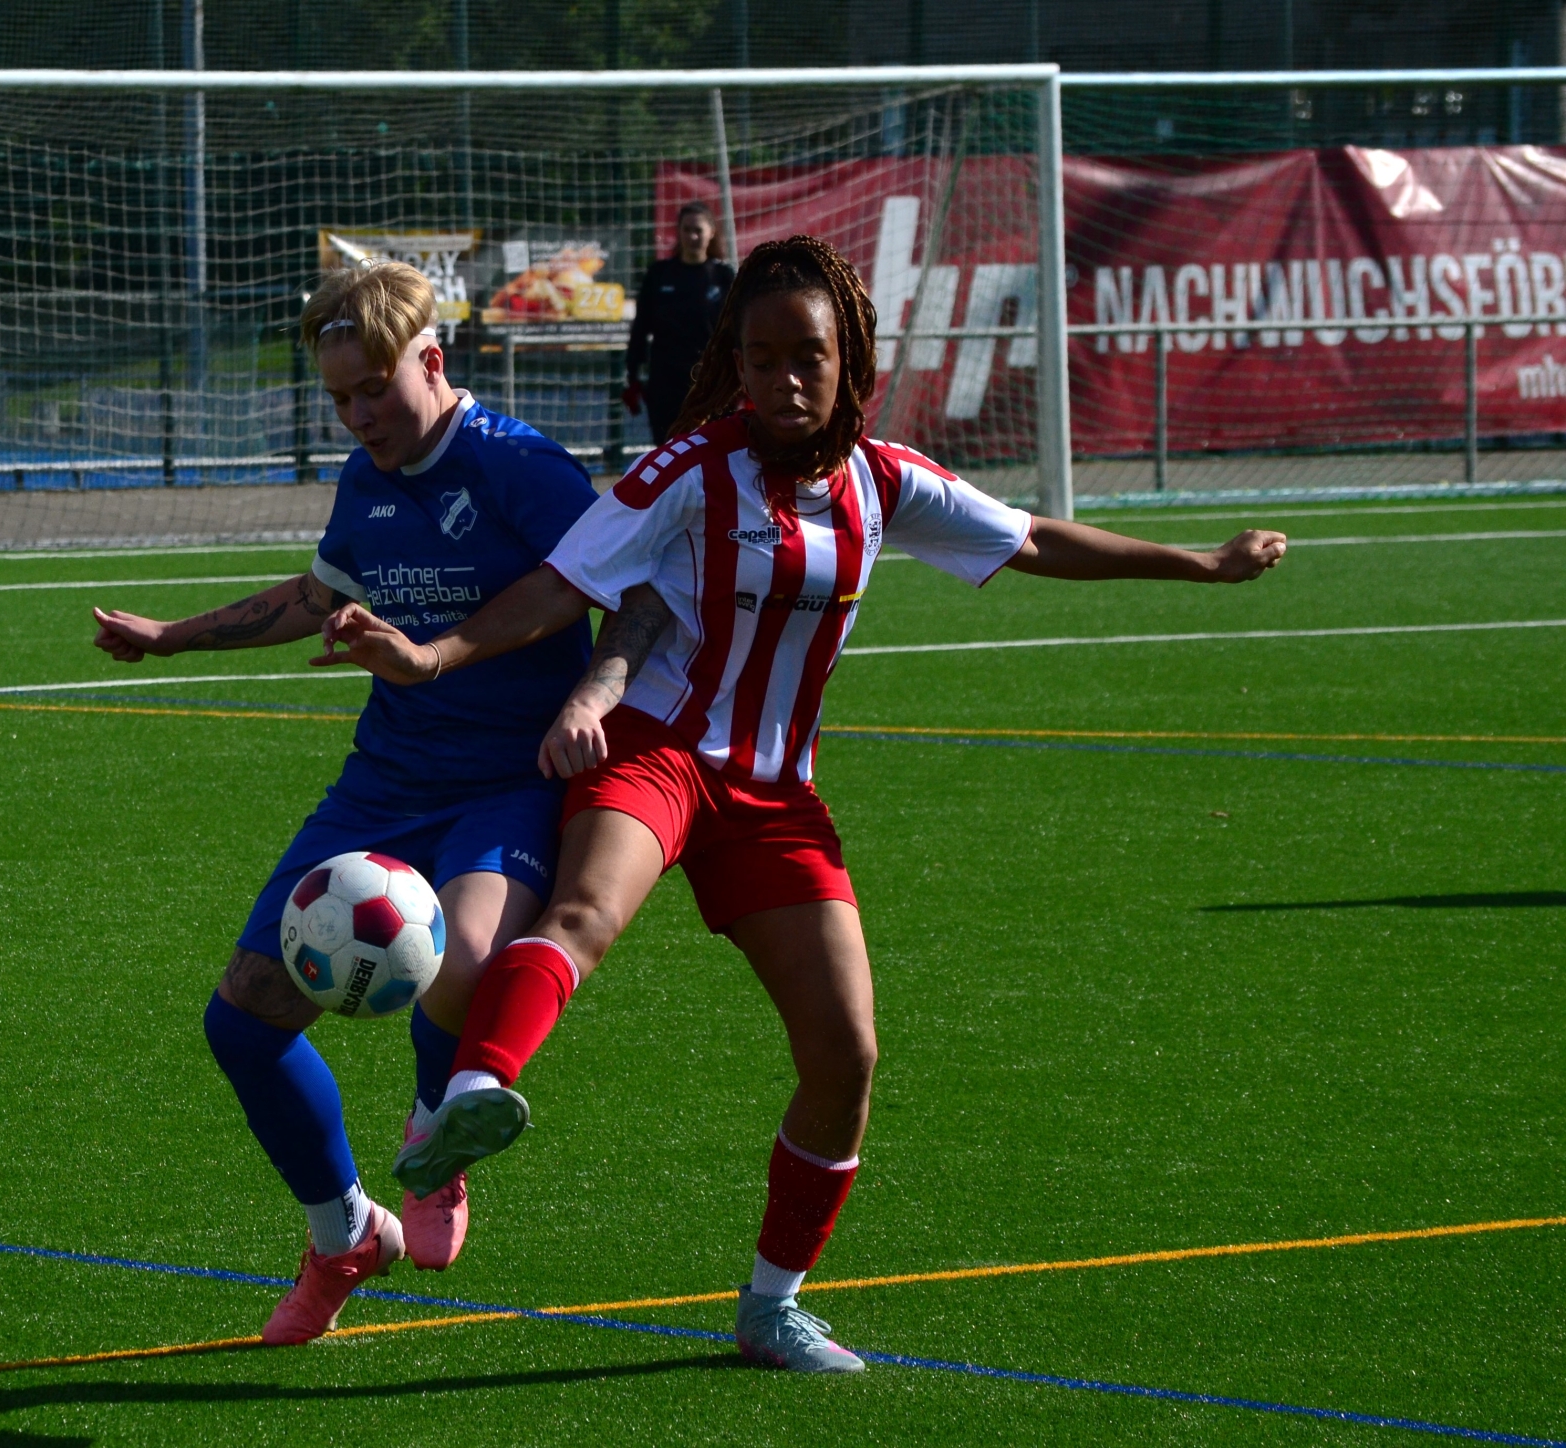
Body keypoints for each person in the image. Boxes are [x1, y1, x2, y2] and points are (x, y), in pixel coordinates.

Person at [314, 236, 1287, 1373]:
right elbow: (561, 584)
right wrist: (441, 659)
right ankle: (473, 1095)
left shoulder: (884, 479)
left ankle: (773, 1305)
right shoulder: (689, 467)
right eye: (761, 355)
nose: (783, 377)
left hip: (776, 793)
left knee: (846, 1051)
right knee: (584, 912)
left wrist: (1200, 562)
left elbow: (1031, 538)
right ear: (734, 361)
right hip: (657, 752)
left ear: (847, 358)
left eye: (806, 355)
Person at [88, 261, 611, 1346]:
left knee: (464, 963)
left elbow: (578, 585)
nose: (359, 414)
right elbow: (314, 593)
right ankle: (344, 1235)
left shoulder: (518, 463)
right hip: (386, 780)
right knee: (242, 1017)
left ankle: (434, 1135)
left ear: (432, 360)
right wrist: (171, 636)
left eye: (375, 387)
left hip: (506, 779)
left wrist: (439, 654)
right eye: (339, 398)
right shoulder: (364, 482)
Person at [623, 201, 735, 445]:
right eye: (687, 229)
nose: (692, 236)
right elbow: (641, 327)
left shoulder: (723, 276)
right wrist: (632, 373)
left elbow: (737, 331)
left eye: (698, 230)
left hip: (711, 382)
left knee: (712, 450)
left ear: (711, 232)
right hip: (666, 382)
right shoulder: (659, 274)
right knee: (669, 450)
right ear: (678, 232)